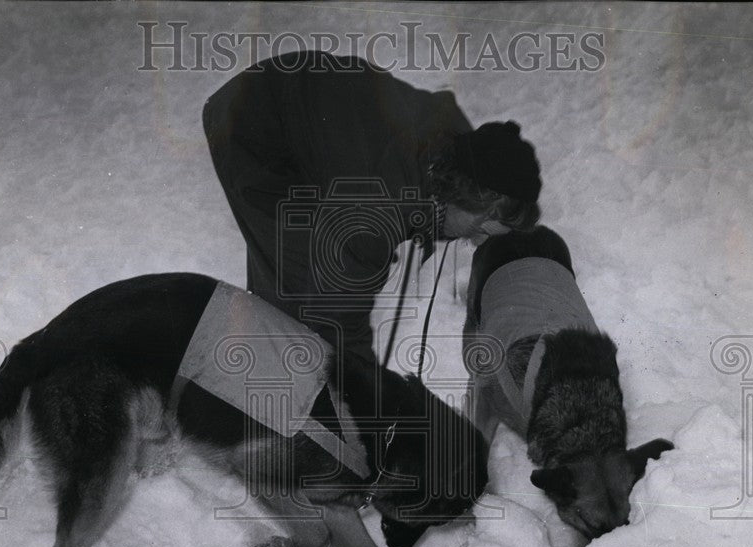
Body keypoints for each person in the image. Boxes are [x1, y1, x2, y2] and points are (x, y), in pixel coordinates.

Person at [203, 49, 542, 363]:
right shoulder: (378, 210)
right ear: (464, 195)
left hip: (298, 100)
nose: (479, 240)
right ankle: (270, 383)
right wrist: (365, 388)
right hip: (251, 128)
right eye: (481, 226)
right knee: (304, 307)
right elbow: (342, 319)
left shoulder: (462, 151)